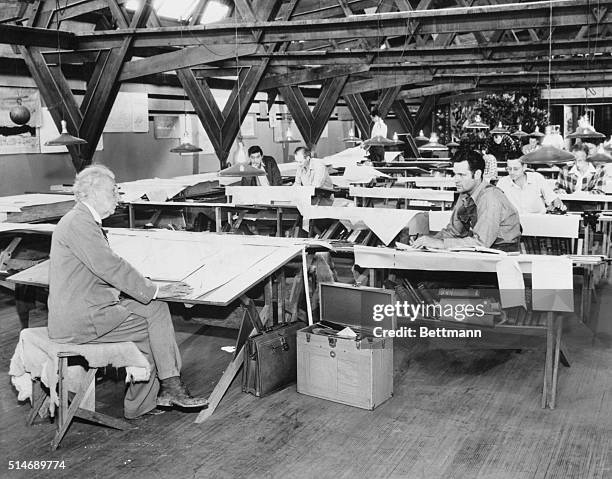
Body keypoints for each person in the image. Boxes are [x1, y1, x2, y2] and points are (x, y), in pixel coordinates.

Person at [47, 165, 208, 419]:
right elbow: (109, 266)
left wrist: (152, 291)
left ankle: (169, 387)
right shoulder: (79, 222)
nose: (117, 198)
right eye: (113, 192)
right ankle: (144, 403)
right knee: (151, 331)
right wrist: (153, 288)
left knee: (156, 308)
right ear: (92, 192)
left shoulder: (82, 220)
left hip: (90, 307)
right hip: (81, 320)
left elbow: (105, 268)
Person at [412, 149, 521, 251]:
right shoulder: (465, 193)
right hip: (485, 251)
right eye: (455, 174)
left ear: (477, 174)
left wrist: (440, 244)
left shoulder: (490, 197)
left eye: (461, 175)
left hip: (503, 254)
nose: (456, 179)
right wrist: (427, 241)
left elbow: (481, 243)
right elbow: (454, 232)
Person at [497, 157, 566, 214]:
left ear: (524, 167)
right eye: (509, 169)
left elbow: (553, 198)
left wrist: (557, 205)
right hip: (514, 225)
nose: (511, 172)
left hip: (538, 223)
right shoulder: (502, 183)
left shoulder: (537, 178)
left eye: (515, 169)